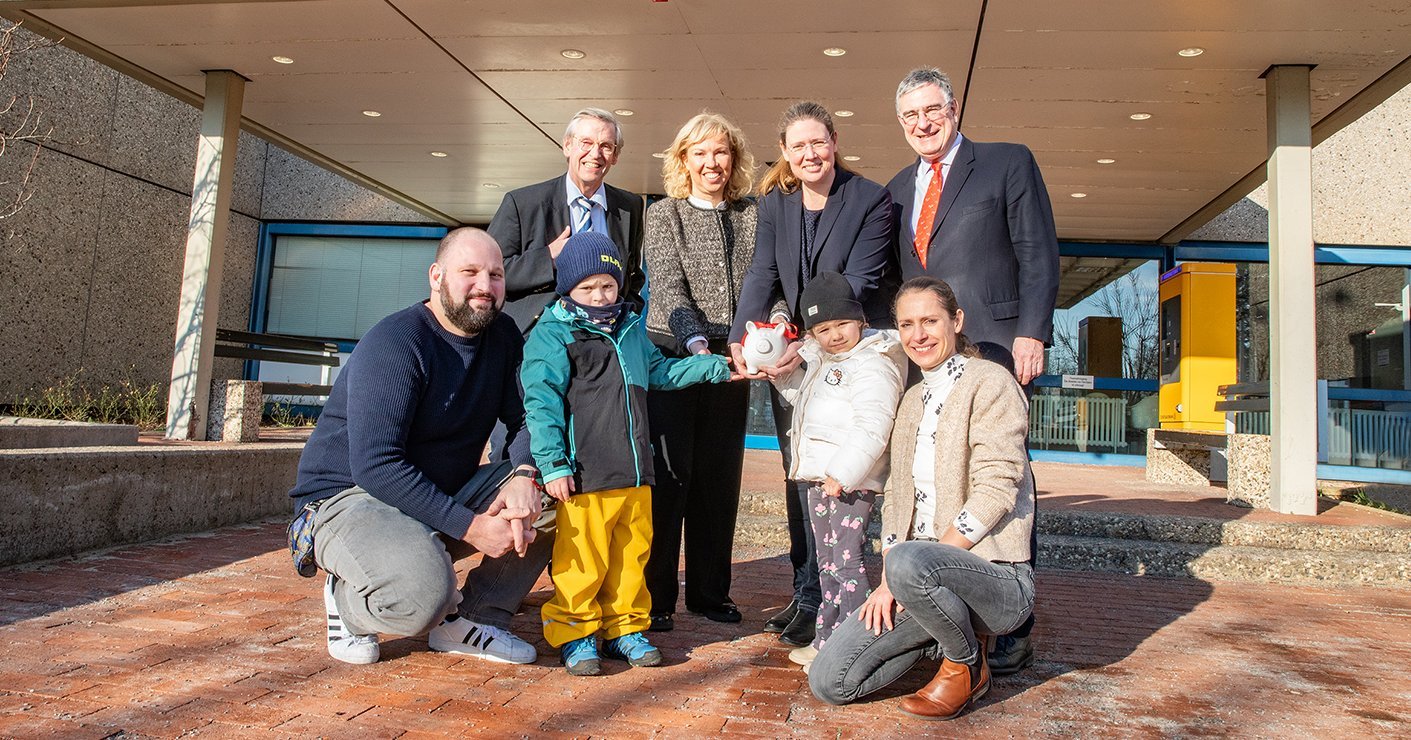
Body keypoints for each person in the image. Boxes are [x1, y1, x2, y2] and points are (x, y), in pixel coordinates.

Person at [288, 227, 548, 666]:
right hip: (348, 498)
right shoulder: (397, 342)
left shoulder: (502, 336)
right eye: (469, 272)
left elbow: (529, 417)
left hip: (435, 489)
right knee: (423, 597)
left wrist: (525, 474)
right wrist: (470, 527)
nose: (485, 286)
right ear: (436, 276)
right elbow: (376, 465)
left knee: (560, 490)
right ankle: (349, 602)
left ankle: (474, 618)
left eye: (496, 274)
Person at [886, 66, 1057, 672]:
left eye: (931, 110)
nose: (922, 124)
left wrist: (1033, 329)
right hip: (932, 354)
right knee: (942, 470)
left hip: (997, 343)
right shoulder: (898, 187)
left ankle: (1014, 623)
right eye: (910, 116)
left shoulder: (1008, 162)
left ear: (953, 109)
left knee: (1003, 480)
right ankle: (951, 603)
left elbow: (1037, 250)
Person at [808, 277, 1036, 720]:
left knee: (908, 560)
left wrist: (907, 569)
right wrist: (894, 583)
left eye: (930, 321)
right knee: (829, 680)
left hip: (996, 579)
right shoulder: (911, 398)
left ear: (957, 321)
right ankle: (938, 634)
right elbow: (895, 497)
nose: (919, 335)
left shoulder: (991, 382)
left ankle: (967, 664)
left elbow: (997, 487)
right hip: (919, 579)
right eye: (907, 324)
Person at [520, 231, 733, 676]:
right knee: (582, 560)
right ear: (568, 288)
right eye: (588, 287)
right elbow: (540, 405)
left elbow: (661, 373)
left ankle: (624, 629)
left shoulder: (632, 328)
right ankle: (576, 634)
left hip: (637, 472)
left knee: (630, 557)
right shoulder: (552, 335)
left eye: (608, 285)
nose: (600, 295)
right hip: (585, 476)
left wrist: (715, 366)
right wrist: (553, 464)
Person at [728, 101, 895, 649]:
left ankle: (841, 599)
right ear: (784, 152)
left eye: (817, 143)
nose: (809, 154)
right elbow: (763, 270)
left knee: (840, 481)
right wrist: (743, 334)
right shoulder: (776, 203)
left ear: (834, 140)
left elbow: (861, 279)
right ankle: (807, 593)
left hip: (844, 357)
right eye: (797, 146)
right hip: (794, 361)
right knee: (798, 474)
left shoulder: (870, 198)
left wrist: (809, 340)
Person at [641, 112, 758, 631]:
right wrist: (695, 347)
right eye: (700, 153)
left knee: (717, 479)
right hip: (675, 356)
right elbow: (666, 287)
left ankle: (711, 593)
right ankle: (657, 597)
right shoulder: (663, 215)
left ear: (733, 159)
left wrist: (766, 332)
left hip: (734, 359)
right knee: (670, 478)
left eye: (721, 152)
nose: (711, 163)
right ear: (683, 160)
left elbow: (766, 282)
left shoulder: (752, 214)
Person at [769, 272, 906, 672]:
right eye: (823, 329)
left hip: (847, 483)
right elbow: (808, 402)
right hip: (819, 478)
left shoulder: (873, 362)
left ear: (861, 320)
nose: (834, 335)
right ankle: (828, 639)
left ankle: (859, 646)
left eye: (842, 324)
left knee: (846, 566)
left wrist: (844, 473)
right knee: (826, 563)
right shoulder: (828, 360)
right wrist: (784, 380)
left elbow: (874, 423)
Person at [488, 107, 646, 334]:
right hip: (538, 338)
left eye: (606, 146)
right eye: (586, 143)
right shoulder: (523, 203)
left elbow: (632, 275)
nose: (595, 154)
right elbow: (491, 272)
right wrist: (547, 257)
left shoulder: (629, 205)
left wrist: (627, 314)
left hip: (606, 339)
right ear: (567, 146)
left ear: (615, 156)